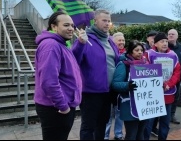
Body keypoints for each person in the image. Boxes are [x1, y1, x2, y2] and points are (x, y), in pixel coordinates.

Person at [34, 11, 82, 140]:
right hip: (56, 108)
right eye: (66, 25)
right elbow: (49, 81)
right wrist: (63, 106)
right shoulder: (51, 45)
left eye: (72, 25)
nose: (71, 28)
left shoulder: (60, 44)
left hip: (60, 106)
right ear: (54, 26)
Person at [72, 9, 120, 140]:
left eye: (109, 21)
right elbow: (74, 60)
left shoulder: (110, 40)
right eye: (104, 20)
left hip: (108, 92)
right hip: (91, 93)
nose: (107, 23)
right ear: (95, 21)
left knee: (102, 124)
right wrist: (80, 44)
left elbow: (116, 61)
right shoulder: (86, 39)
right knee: (88, 127)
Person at [144, 32, 181, 140]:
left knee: (165, 122)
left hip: (168, 93)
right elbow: (146, 70)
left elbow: (177, 72)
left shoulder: (173, 55)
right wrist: (158, 84)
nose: (165, 43)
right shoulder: (148, 54)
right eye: (162, 41)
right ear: (155, 44)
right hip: (153, 94)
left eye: (166, 41)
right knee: (149, 122)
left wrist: (169, 84)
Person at [111, 40, 149, 140]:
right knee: (131, 135)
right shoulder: (123, 65)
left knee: (140, 134)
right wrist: (128, 85)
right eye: (137, 50)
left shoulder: (146, 64)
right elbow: (115, 84)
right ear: (130, 52)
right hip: (129, 106)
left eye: (141, 50)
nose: (140, 52)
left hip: (144, 105)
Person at [104, 32, 126, 140]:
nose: (121, 42)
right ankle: (105, 135)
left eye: (123, 40)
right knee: (107, 115)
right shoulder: (108, 52)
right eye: (119, 40)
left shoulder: (127, 54)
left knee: (119, 114)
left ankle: (118, 134)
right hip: (108, 88)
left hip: (120, 89)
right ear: (113, 41)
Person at [167, 29, 181, 125]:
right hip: (165, 78)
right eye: (169, 34)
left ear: (177, 36)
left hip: (177, 77)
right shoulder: (164, 47)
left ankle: (171, 115)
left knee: (175, 96)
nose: (170, 36)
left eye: (173, 34)